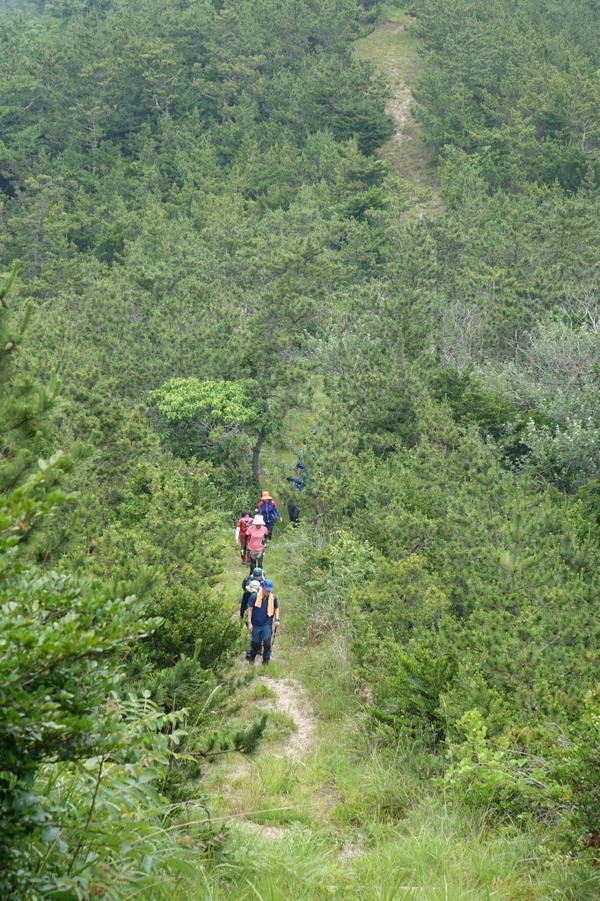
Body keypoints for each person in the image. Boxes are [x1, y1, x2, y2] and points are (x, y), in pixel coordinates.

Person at [246, 578, 280, 665]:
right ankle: (251, 660)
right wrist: (249, 623)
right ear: (262, 587)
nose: (267, 592)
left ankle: (265, 662)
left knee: (267, 644)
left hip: (266, 624)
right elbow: (250, 609)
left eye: (269, 590)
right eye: (266, 590)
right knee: (255, 644)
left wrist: (277, 619)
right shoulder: (254, 596)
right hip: (256, 624)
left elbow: (276, 608)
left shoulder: (273, 598)